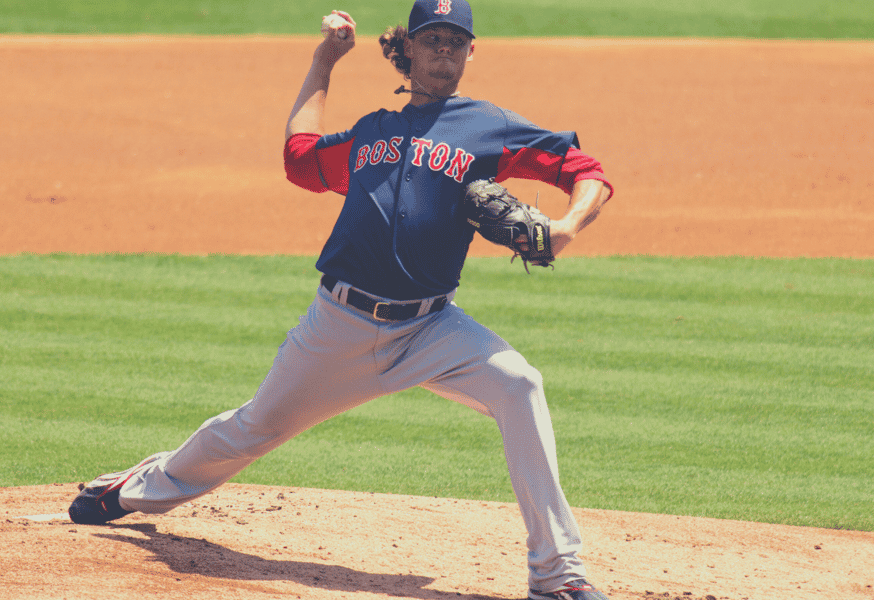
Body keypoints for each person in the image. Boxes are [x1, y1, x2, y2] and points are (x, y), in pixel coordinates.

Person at [68, 2, 614, 599]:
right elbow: (300, 160)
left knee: (520, 384)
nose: (444, 51)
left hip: (432, 330)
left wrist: (566, 228)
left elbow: (586, 170)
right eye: (432, 39)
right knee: (251, 428)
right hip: (339, 326)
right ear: (410, 49)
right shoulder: (372, 131)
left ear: (471, 53)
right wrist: (323, 61)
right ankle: (133, 489)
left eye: (456, 41)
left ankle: (557, 576)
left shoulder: (491, 127)